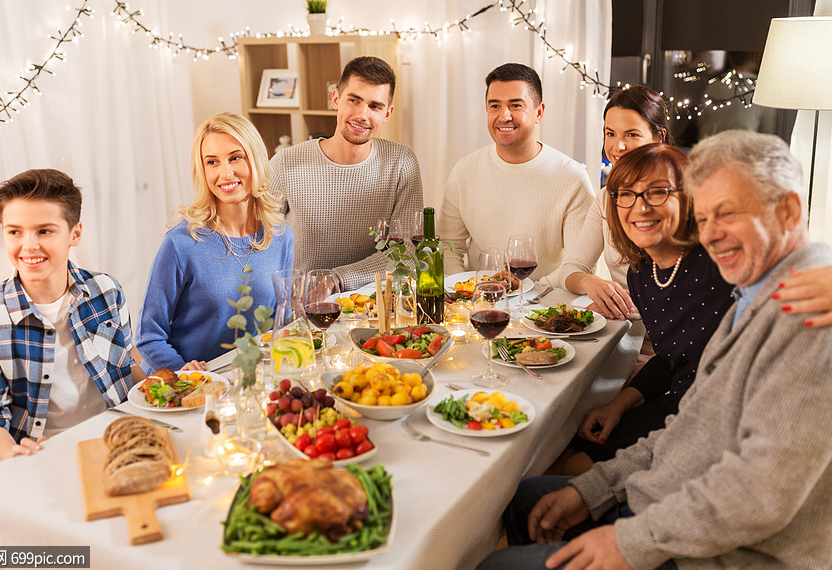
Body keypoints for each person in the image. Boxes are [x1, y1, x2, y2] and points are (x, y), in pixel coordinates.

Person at [478, 130, 832, 570]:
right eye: (705, 218)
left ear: (789, 210)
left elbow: (760, 493)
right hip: (674, 499)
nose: (712, 236)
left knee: (497, 564)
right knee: (527, 499)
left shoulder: (807, 310)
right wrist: (596, 489)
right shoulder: (752, 294)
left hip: (728, 553)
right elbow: (694, 426)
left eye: (728, 213)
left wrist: (629, 541)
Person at [550, 143, 733, 476]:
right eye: (626, 195)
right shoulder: (641, 274)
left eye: (658, 193)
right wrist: (619, 405)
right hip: (679, 402)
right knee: (567, 445)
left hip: (718, 424)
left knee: (561, 476)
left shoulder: (722, 264)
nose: (640, 207)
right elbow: (670, 358)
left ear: (689, 197)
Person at [0, 169, 143, 470]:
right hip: (35, 455)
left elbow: (126, 367)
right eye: (14, 231)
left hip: (115, 438)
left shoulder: (107, 290)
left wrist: (163, 394)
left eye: (44, 231)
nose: (28, 245)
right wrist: (12, 457)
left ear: (75, 233)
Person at [137, 113, 293, 375]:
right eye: (212, 162)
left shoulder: (280, 235)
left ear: (254, 158)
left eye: (235, 157)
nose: (225, 173)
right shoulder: (181, 243)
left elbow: (280, 321)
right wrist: (184, 370)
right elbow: (148, 336)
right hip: (191, 383)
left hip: (249, 377)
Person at [270, 56, 423, 291]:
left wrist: (336, 278)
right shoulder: (286, 163)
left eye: (375, 106)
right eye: (354, 100)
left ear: (387, 114)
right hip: (304, 309)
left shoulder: (401, 163)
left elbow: (406, 253)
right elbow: (258, 241)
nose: (362, 114)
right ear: (336, 98)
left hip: (374, 309)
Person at [439, 63, 593, 284]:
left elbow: (581, 262)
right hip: (479, 301)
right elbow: (448, 244)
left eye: (515, 105)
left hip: (544, 303)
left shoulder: (572, 177)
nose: (504, 116)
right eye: (495, 106)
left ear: (539, 113)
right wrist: (463, 288)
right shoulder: (464, 171)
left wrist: (531, 292)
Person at [556, 86, 669, 320]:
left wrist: (630, 307)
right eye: (610, 133)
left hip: (674, 333)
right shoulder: (607, 197)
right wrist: (591, 282)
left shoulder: (679, 199)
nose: (618, 147)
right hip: (623, 327)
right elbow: (570, 269)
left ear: (659, 137)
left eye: (632, 135)